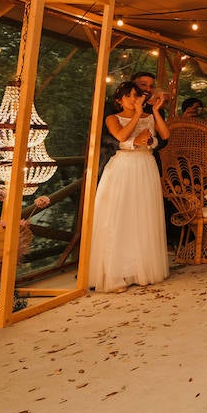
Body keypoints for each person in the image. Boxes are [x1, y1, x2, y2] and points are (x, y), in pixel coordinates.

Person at [87, 82, 171, 292]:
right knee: (119, 216)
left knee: (143, 217)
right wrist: (136, 119)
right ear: (119, 100)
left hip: (146, 166)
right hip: (123, 168)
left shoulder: (148, 116)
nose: (135, 100)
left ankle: (139, 270)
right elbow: (121, 136)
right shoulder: (112, 118)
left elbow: (165, 135)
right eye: (131, 96)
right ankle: (115, 274)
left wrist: (154, 112)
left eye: (137, 95)